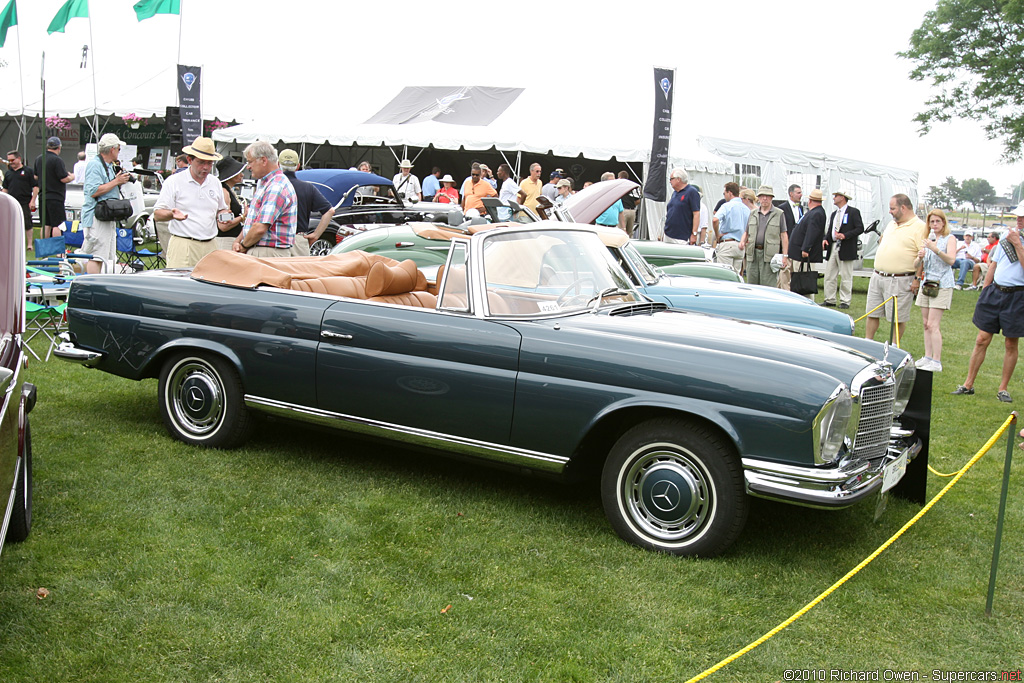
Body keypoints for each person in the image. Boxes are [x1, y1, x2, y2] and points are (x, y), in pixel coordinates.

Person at [952, 204, 1024, 402]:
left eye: (1023, 217)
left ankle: (1003, 389)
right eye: (1018, 216)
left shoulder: (1015, 240)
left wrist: (1018, 244)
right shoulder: (1007, 238)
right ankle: (968, 384)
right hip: (995, 293)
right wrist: (985, 289)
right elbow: (994, 264)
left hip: (1018, 296)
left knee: (1011, 343)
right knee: (981, 339)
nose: (1019, 220)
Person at [153, 136, 230, 268]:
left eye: (209, 163)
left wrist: (225, 215)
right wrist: (172, 214)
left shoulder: (215, 182)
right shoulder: (174, 181)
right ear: (189, 160)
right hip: (183, 245)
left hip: (210, 245)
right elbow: (157, 214)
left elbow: (221, 209)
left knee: (210, 286)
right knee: (180, 286)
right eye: (201, 162)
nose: (206, 167)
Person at [865, 193, 928, 341]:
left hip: (899, 279)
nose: (890, 211)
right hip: (878, 276)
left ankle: (894, 347)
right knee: (872, 312)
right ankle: (868, 342)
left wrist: (917, 279)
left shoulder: (920, 227)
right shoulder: (891, 224)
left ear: (903, 208)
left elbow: (923, 256)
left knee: (897, 317)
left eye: (892, 208)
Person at [234, 141, 298, 258]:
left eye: (250, 162)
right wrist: (238, 241)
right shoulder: (266, 183)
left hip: (268, 252)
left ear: (263, 160)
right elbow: (253, 222)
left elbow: (259, 228)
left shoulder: (276, 186)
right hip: (263, 249)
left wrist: (243, 245)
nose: (248, 167)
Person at [80, 134, 132, 274]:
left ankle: (99, 283)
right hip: (96, 216)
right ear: (112, 149)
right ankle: (93, 285)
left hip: (107, 216)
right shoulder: (95, 165)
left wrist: (118, 179)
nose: (119, 152)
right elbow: (93, 191)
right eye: (119, 149)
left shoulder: (109, 166)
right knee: (96, 256)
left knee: (105, 256)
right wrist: (116, 181)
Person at [913, 209, 957, 372]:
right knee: (925, 323)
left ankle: (937, 361)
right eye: (932, 222)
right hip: (927, 282)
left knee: (933, 324)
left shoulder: (949, 239)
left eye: (938, 221)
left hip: (942, 283)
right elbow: (916, 265)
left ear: (943, 222)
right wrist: (920, 256)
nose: (935, 225)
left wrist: (935, 249)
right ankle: (928, 356)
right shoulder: (928, 239)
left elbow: (951, 260)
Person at [278, 149, 335, 256]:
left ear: (278, 164)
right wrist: (316, 235)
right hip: (298, 240)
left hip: (275, 240)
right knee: (300, 272)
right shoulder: (308, 187)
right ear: (298, 166)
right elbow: (329, 211)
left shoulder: (272, 186)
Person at [822, 189, 865, 309]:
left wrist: (845, 235)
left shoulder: (853, 212)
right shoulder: (834, 214)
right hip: (834, 246)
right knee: (829, 274)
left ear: (842, 197)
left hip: (846, 247)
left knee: (846, 275)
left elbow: (860, 228)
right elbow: (830, 229)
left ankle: (845, 300)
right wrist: (826, 238)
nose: (834, 198)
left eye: (836, 196)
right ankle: (829, 299)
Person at [740, 185, 788, 287]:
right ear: (758, 198)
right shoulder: (753, 213)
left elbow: (784, 236)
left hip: (769, 256)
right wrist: (742, 241)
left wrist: (785, 256)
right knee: (751, 285)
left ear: (771, 198)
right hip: (752, 254)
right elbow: (746, 231)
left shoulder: (779, 214)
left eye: (767, 196)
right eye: (762, 196)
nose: (764, 198)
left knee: (768, 285)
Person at [786, 188, 826, 298]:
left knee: (804, 279)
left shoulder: (817, 213)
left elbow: (812, 232)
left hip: (804, 254)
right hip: (798, 253)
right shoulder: (813, 212)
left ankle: (807, 301)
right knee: (799, 278)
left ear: (810, 201)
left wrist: (805, 248)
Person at [33, 137, 75, 238]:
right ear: (59, 147)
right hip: (55, 197)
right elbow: (63, 178)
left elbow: (35, 176)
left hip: (43, 196)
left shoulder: (39, 159)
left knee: (45, 224)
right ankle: (58, 251)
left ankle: (45, 249)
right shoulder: (57, 160)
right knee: (57, 224)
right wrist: (72, 176)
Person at [2, 150, 37, 251]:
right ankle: (11, 243)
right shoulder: (8, 173)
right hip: (11, 202)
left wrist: (33, 201)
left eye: (12, 160)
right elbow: (5, 188)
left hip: (25, 201)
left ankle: (29, 244)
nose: (11, 162)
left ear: (19, 159)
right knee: (10, 223)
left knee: (27, 222)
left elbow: (35, 186)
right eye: (9, 160)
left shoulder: (28, 171)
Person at [712, 182, 749, 273]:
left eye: (724, 193)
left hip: (727, 244)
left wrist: (717, 235)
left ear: (730, 193)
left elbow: (715, 220)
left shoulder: (726, 206)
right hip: (740, 246)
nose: (724, 196)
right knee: (735, 276)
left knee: (724, 275)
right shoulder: (746, 209)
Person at [215, 156, 247, 251]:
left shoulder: (229, 190)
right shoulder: (224, 192)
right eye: (238, 172)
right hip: (226, 241)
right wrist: (243, 217)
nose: (242, 175)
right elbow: (224, 226)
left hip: (230, 239)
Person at [663, 168, 701, 244]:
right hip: (668, 234)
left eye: (671, 179)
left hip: (681, 236)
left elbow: (696, 213)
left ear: (678, 179)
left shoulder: (691, 192)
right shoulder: (675, 193)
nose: (670, 181)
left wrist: (694, 233)